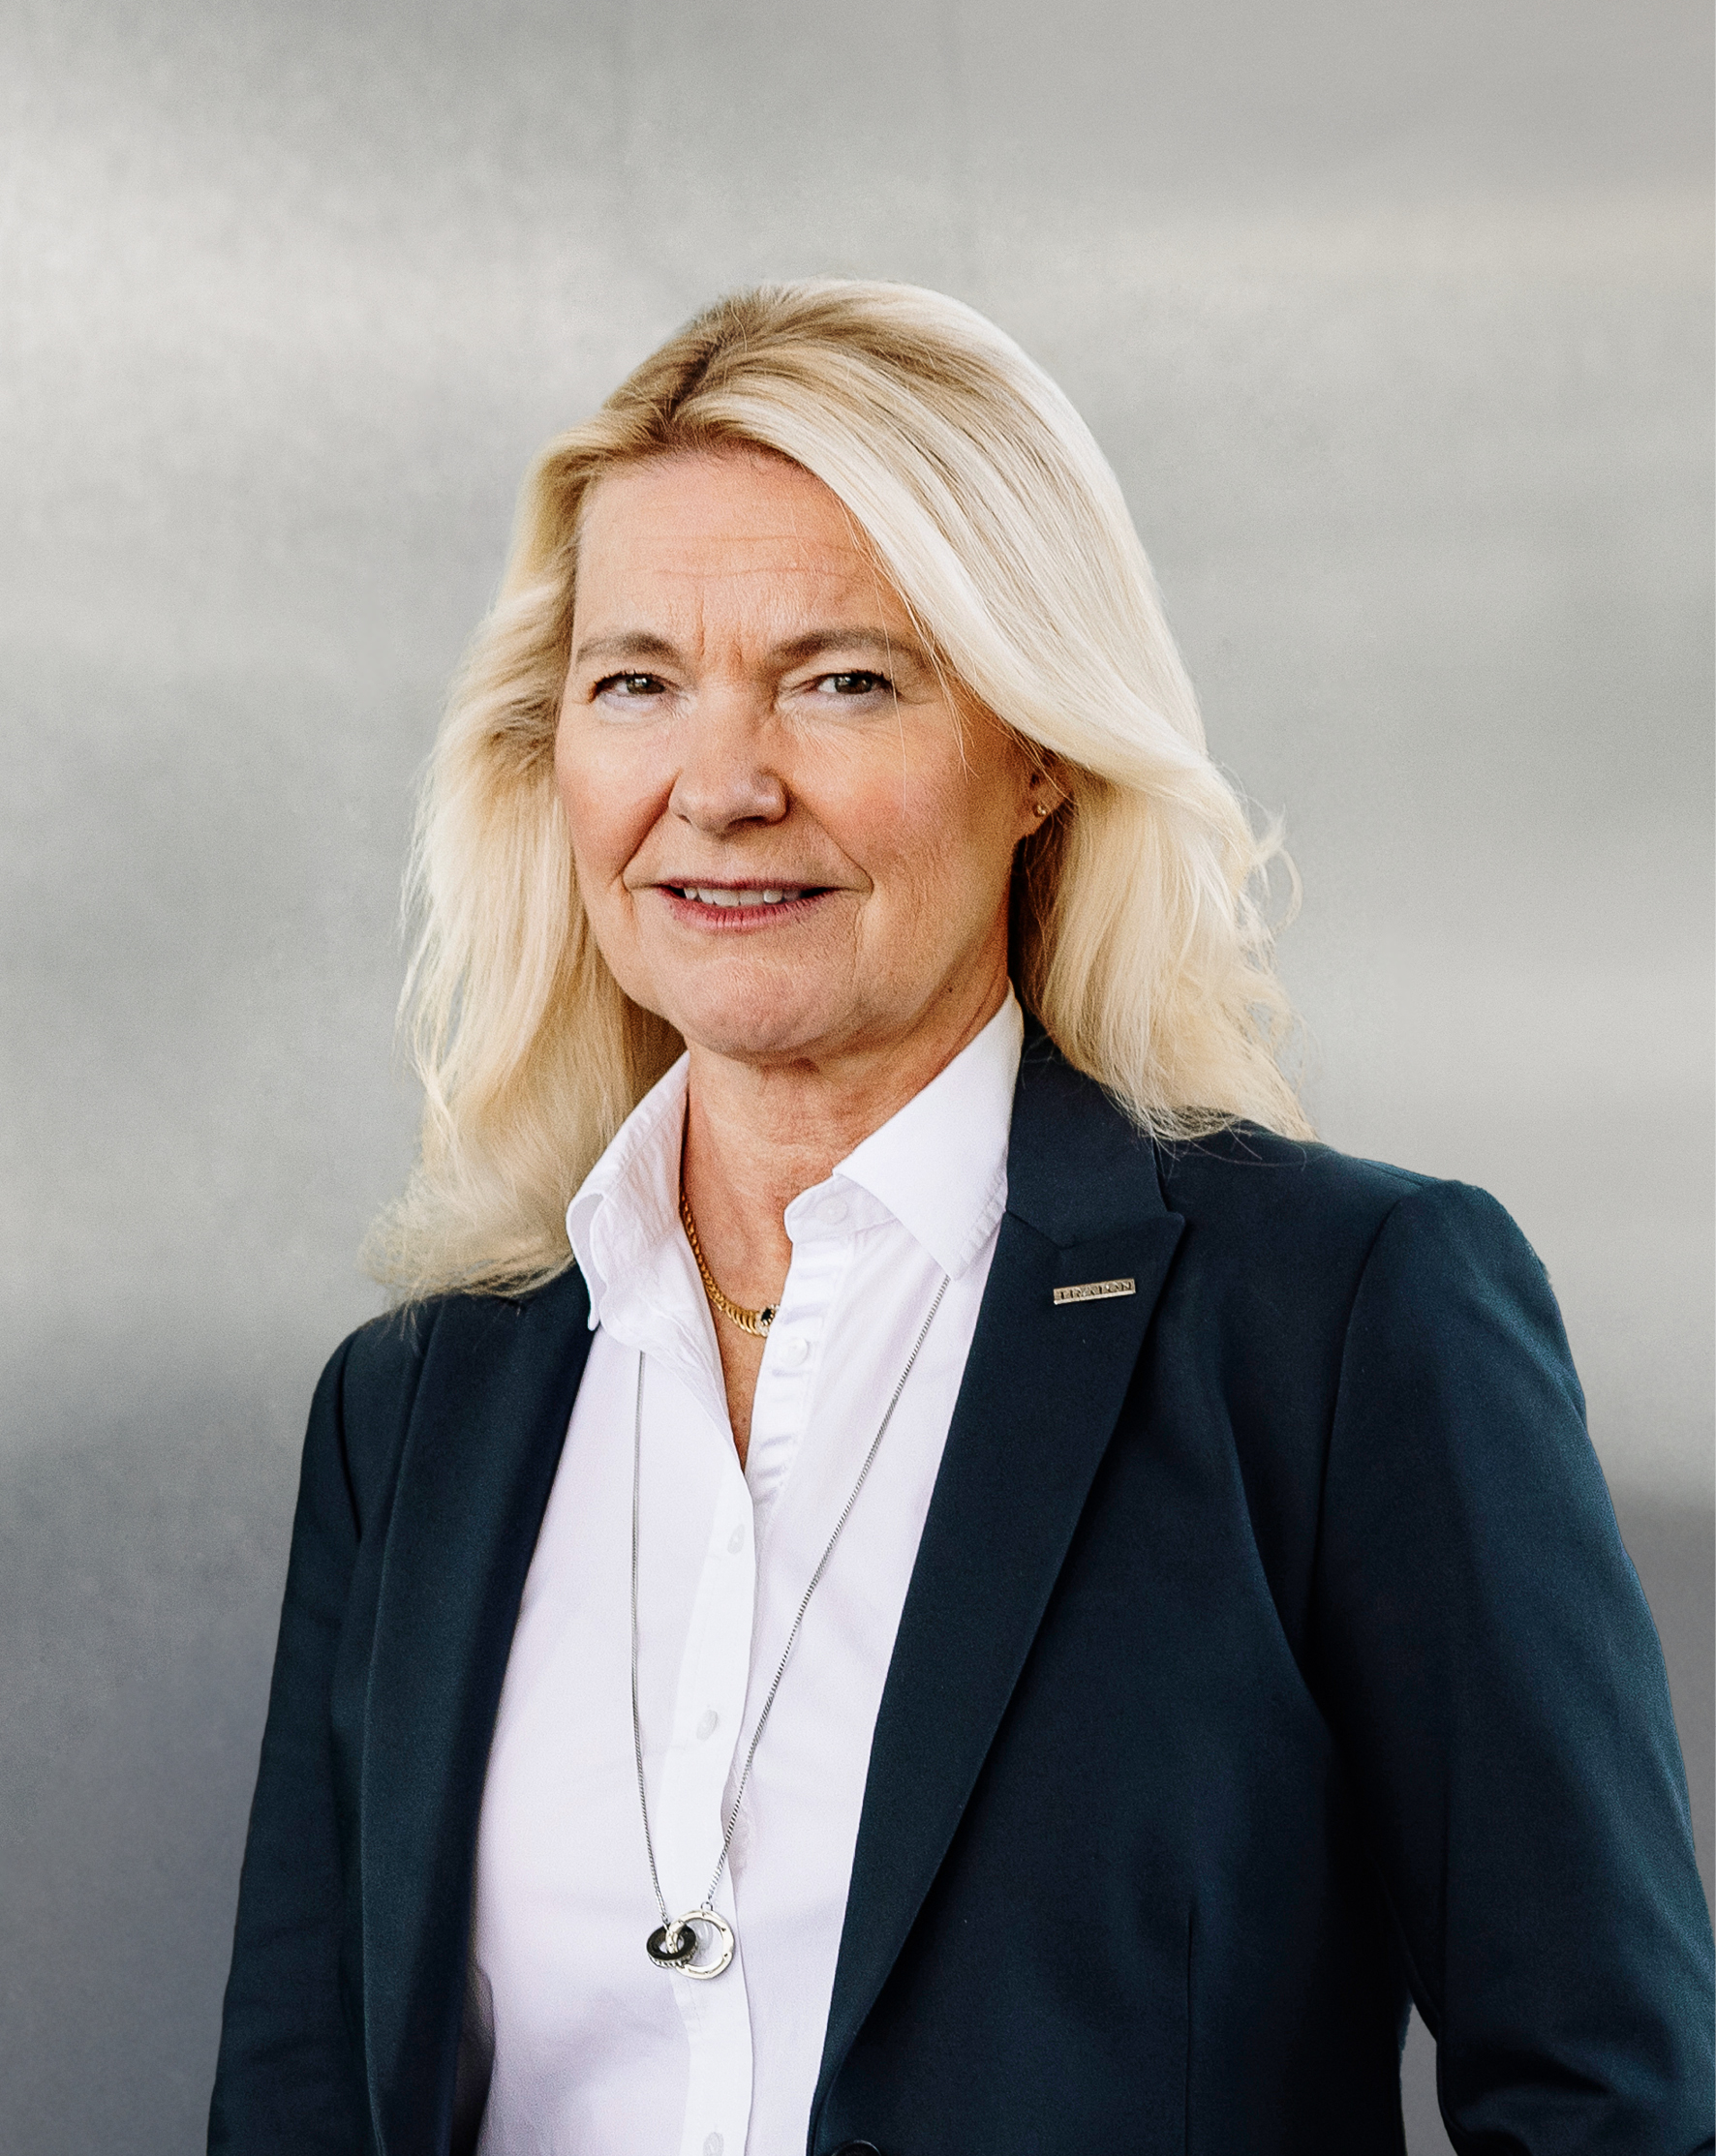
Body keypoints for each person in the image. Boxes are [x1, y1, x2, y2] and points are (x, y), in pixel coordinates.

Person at [208, 281, 1713, 2156]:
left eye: (842, 677)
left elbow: (1611, 2096)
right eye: (636, 681)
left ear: (1038, 749)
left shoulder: (1340, 1323)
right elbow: (301, 2103)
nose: (721, 785)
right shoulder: (419, 1402)